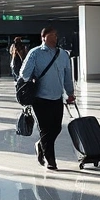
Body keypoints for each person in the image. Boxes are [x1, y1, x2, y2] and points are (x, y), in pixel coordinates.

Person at [20, 26, 75, 171]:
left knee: (56, 128)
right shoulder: (35, 53)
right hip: (40, 98)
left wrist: (70, 93)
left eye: (56, 35)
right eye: (52, 35)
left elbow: (67, 76)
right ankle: (50, 160)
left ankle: (40, 145)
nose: (55, 38)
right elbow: (24, 74)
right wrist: (31, 74)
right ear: (43, 37)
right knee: (45, 129)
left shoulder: (63, 54)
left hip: (57, 97)